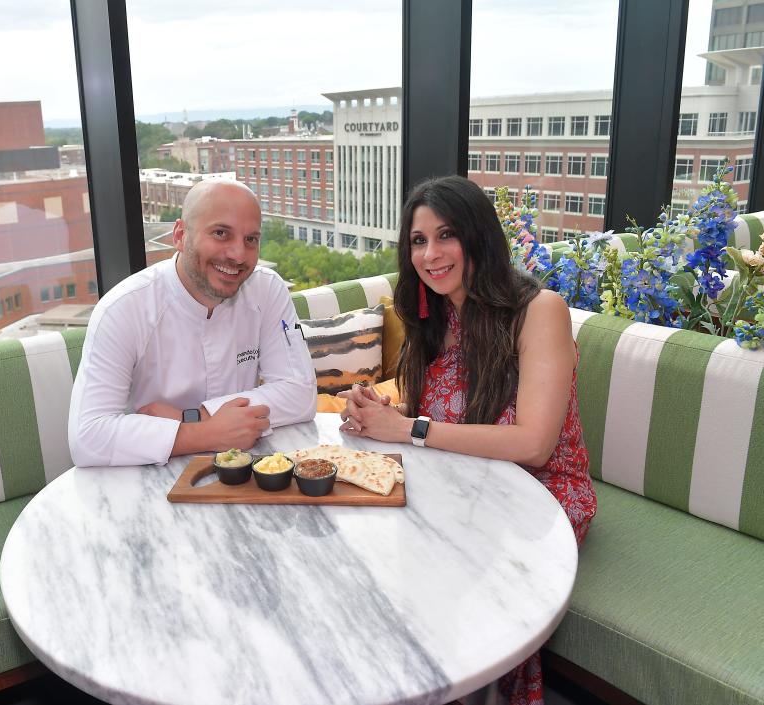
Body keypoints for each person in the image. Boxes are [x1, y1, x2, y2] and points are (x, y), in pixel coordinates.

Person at [338, 175, 596, 705]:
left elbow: (534, 445)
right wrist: (385, 411)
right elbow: (442, 406)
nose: (431, 254)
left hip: (542, 494)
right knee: (372, 540)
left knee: (444, 568)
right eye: (418, 240)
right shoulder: (435, 312)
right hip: (465, 476)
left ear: (478, 235)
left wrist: (409, 430)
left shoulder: (539, 310)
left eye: (446, 235)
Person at [69, 179, 317, 467]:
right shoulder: (123, 308)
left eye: (251, 239)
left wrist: (195, 416)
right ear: (180, 235)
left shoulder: (267, 290)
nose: (238, 254)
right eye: (221, 233)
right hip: (147, 476)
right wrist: (203, 434)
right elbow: (86, 437)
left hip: (243, 471)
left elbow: (300, 393)